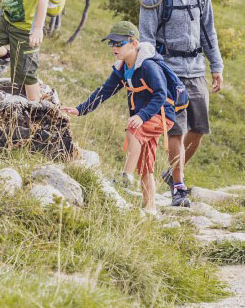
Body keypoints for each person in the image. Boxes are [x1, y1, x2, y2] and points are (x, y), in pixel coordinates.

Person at [138, 0, 223, 207]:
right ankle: (178, 186)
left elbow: (208, 30)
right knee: (176, 129)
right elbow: (146, 37)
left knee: (198, 128)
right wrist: (152, 70)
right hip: (168, 69)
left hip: (196, 67)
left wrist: (216, 66)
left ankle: (173, 172)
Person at [62, 21, 176, 213]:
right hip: (146, 115)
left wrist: (141, 115)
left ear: (133, 43)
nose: (114, 47)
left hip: (161, 113)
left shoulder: (148, 66)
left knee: (133, 128)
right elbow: (104, 91)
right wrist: (80, 109)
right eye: (111, 43)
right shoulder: (122, 69)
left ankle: (125, 177)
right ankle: (151, 208)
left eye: (119, 43)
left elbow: (160, 94)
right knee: (146, 164)